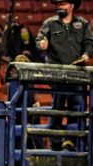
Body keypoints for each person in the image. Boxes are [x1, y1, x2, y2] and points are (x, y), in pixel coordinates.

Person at [36, 0, 93, 151]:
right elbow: (39, 39)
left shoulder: (83, 23)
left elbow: (89, 43)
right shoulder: (50, 23)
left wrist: (86, 54)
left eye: (63, 4)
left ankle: (71, 140)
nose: (59, 7)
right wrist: (42, 44)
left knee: (77, 107)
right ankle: (55, 143)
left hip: (76, 73)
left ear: (72, 6)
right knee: (57, 107)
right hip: (56, 72)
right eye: (58, 4)